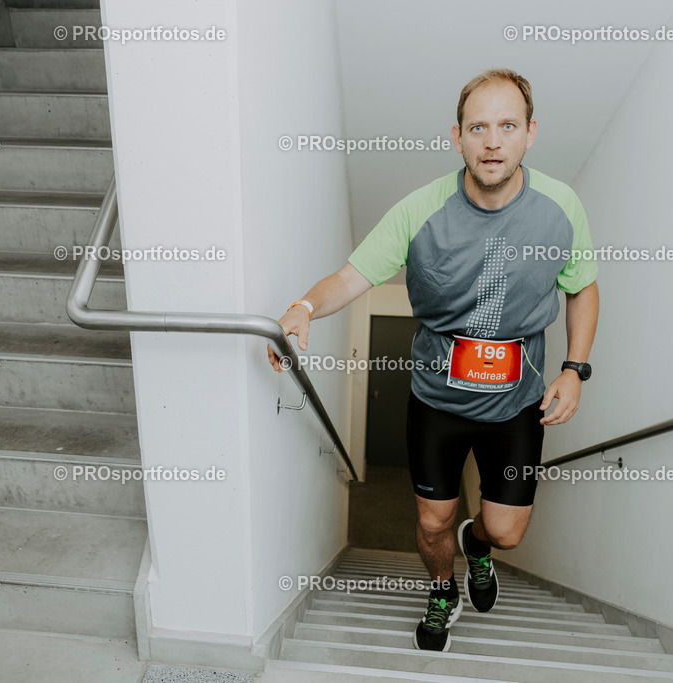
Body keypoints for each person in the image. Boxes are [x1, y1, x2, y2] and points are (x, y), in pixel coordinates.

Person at [267, 68, 599, 652]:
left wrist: (574, 368)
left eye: (506, 126)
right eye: (478, 127)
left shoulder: (560, 208)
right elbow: (351, 276)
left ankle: (478, 549)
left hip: (518, 401)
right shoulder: (419, 210)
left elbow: (583, 286)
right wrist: (303, 307)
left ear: (530, 133)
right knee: (430, 521)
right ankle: (443, 589)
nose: (492, 141)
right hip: (437, 402)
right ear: (458, 137)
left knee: (506, 532)